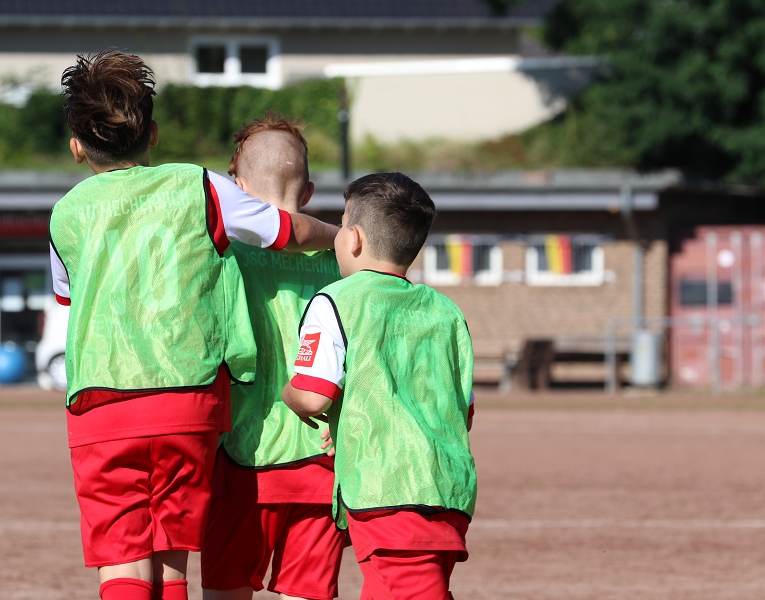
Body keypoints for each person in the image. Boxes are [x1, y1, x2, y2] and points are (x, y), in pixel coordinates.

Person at [49, 50, 339, 600]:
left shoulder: (66, 212)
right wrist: (343, 237)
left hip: (101, 403)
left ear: (76, 147)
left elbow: (68, 296)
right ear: (154, 133)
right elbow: (285, 232)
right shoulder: (199, 185)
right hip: (189, 401)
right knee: (171, 561)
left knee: (124, 563)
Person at [282, 173, 476, 600]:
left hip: (390, 493)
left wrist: (288, 393)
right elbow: (460, 410)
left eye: (340, 224)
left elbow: (312, 395)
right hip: (447, 490)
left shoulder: (335, 299)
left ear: (353, 238)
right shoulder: (447, 312)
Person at [201, 113, 345, 600]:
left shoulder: (221, 254)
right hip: (325, 458)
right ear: (309, 192)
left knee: (226, 592)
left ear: (237, 189)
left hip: (242, 456)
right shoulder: (344, 260)